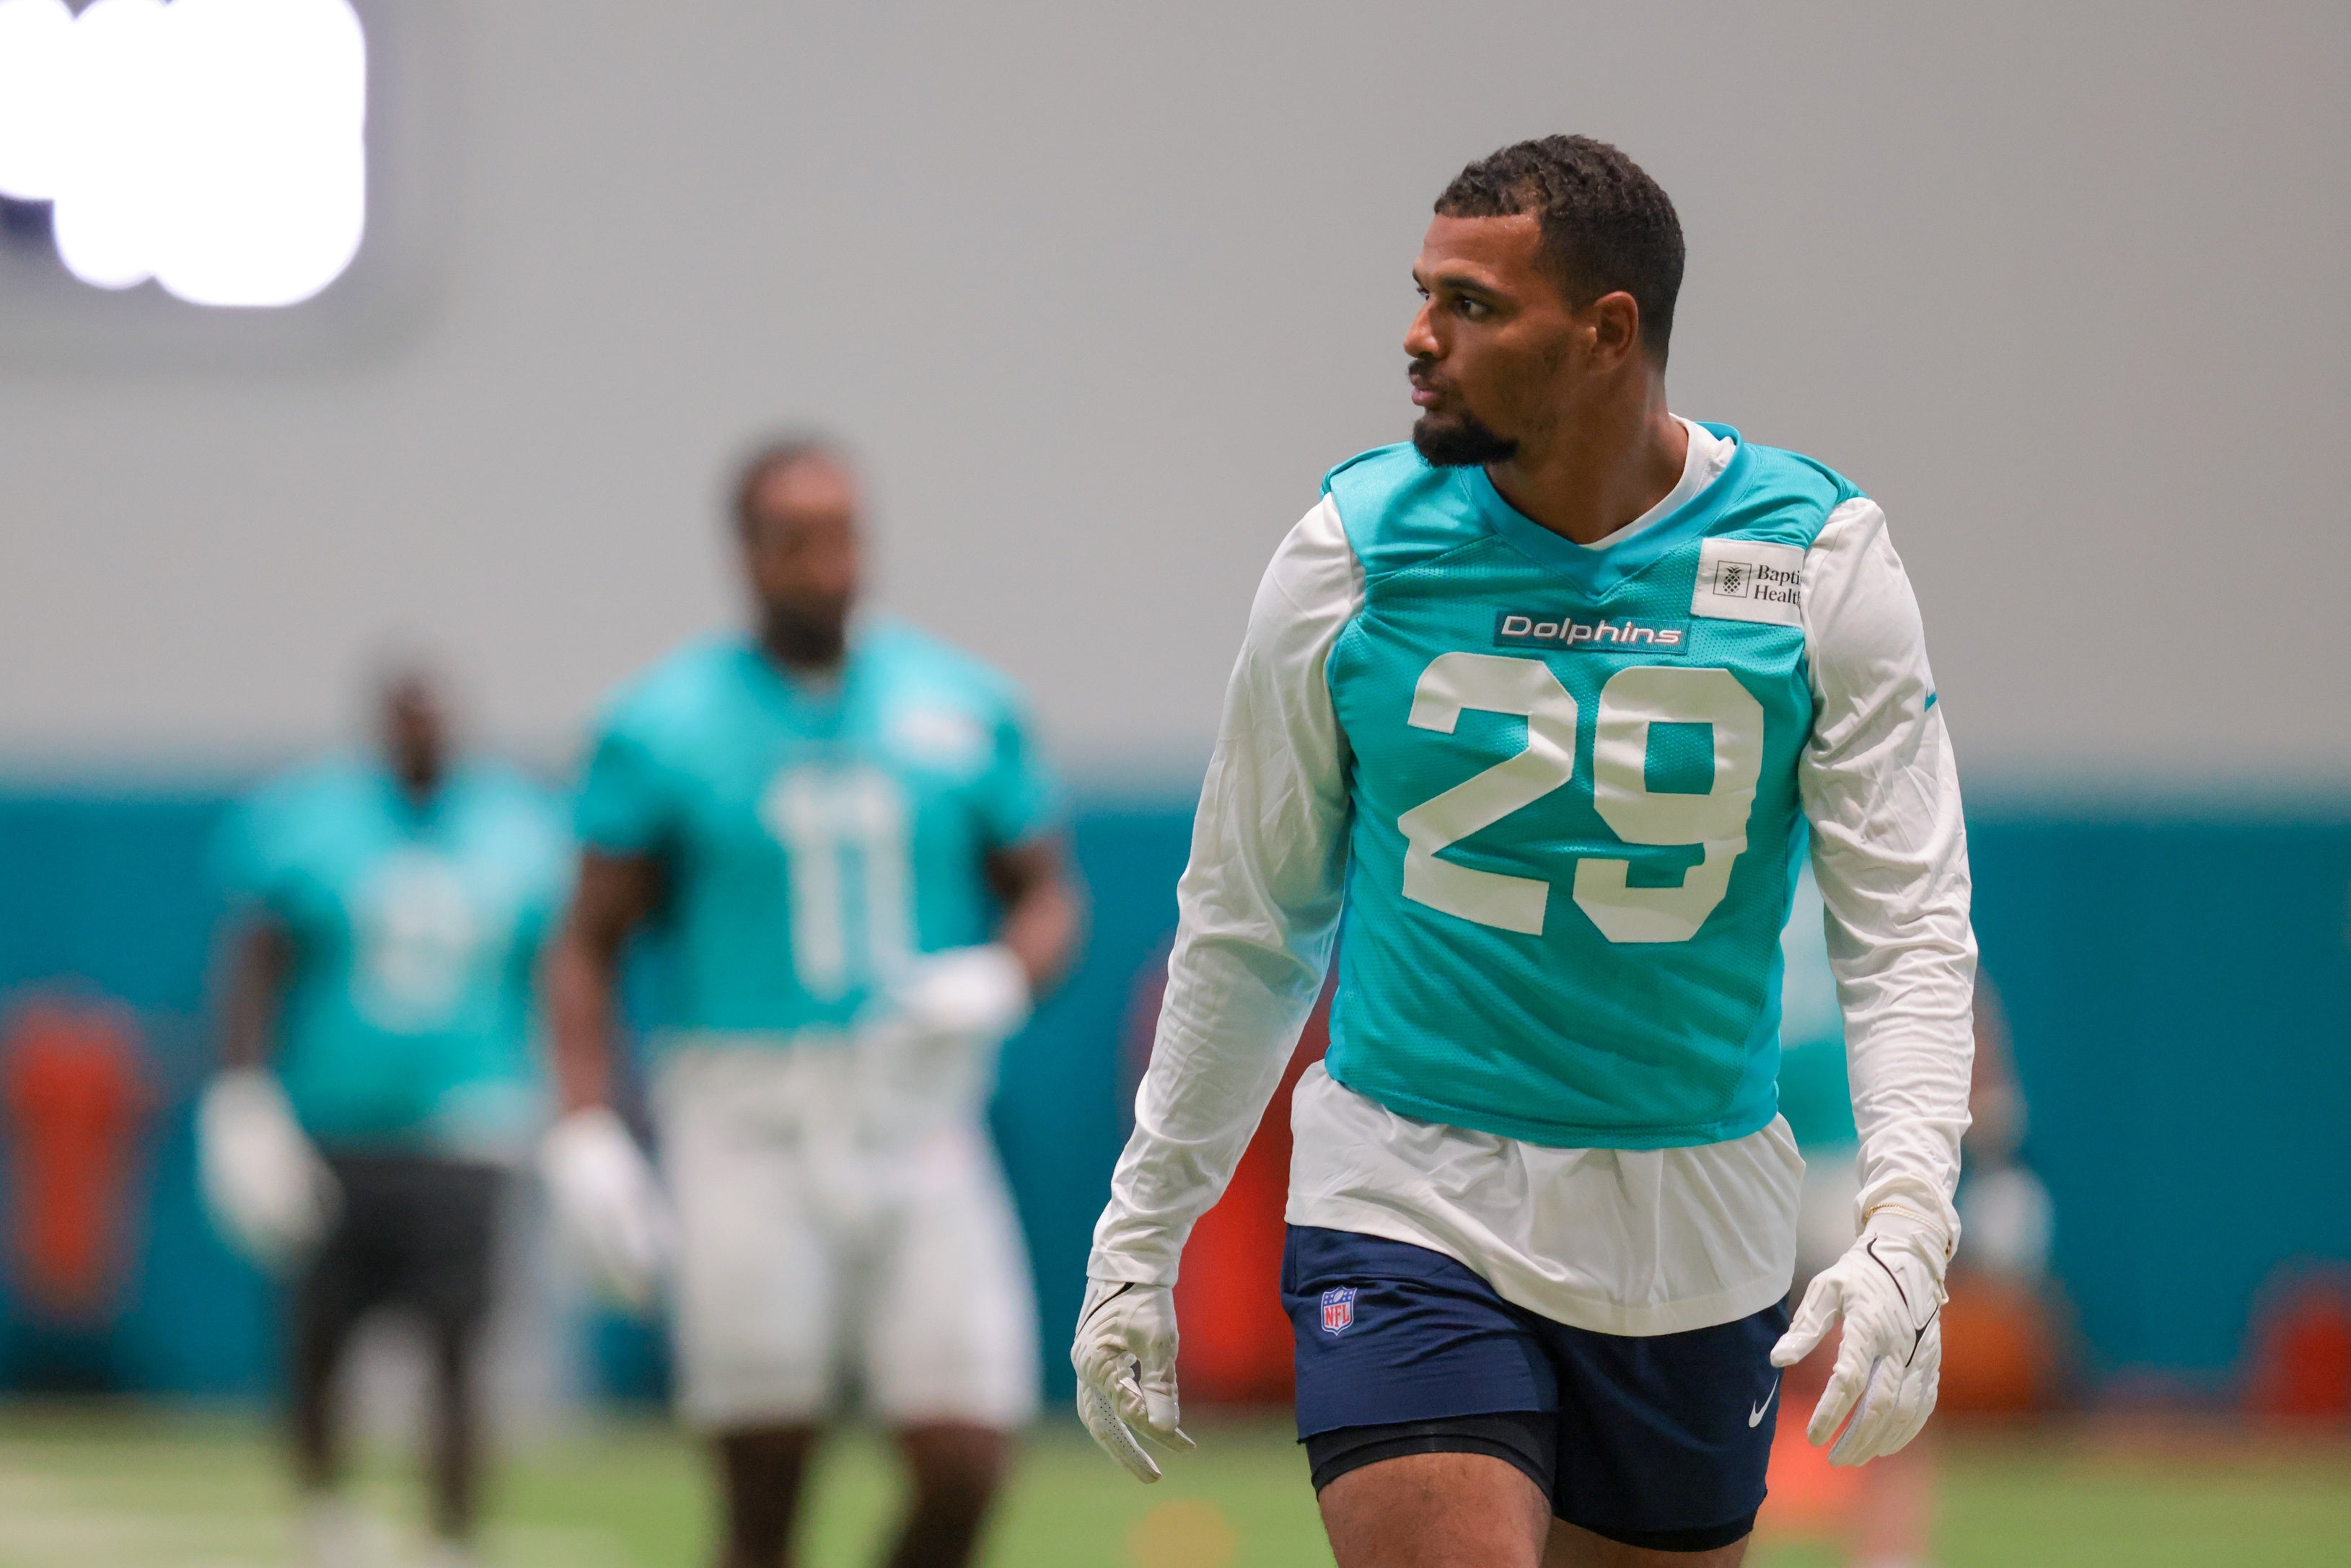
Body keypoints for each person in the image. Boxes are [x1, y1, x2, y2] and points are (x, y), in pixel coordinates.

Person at [1073, 135, 1977, 1568]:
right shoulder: (1353, 552)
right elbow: (1249, 919)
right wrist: (1144, 1222)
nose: (1420, 339)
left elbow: (1906, 925)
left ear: (1608, 332)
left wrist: (1910, 1217)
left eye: (1474, 306)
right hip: (1411, 1184)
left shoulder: (1816, 560)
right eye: (1425, 294)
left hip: (1694, 1209)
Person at [540, 438, 1083, 1568]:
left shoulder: (962, 700)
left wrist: (997, 974)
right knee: (764, 1475)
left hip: (919, 1112)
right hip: (744, 1113)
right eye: (794, 539)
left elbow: (1047, 897)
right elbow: (587, 941)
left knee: (964, 1456)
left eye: (841, 535)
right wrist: (586, 1120)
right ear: (743, 551)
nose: (824, 565)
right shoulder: (661, 720)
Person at [198, 669, 569, 1568]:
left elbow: (558, 972)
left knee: (460, 1342)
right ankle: (324, 1512)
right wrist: (244, 1092)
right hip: (336, 1123)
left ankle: (450, 1532)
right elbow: (259, 956)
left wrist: (576, 1109)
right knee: (321, 1333)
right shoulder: (315, 817)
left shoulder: (519, 826)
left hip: (469, 1124)